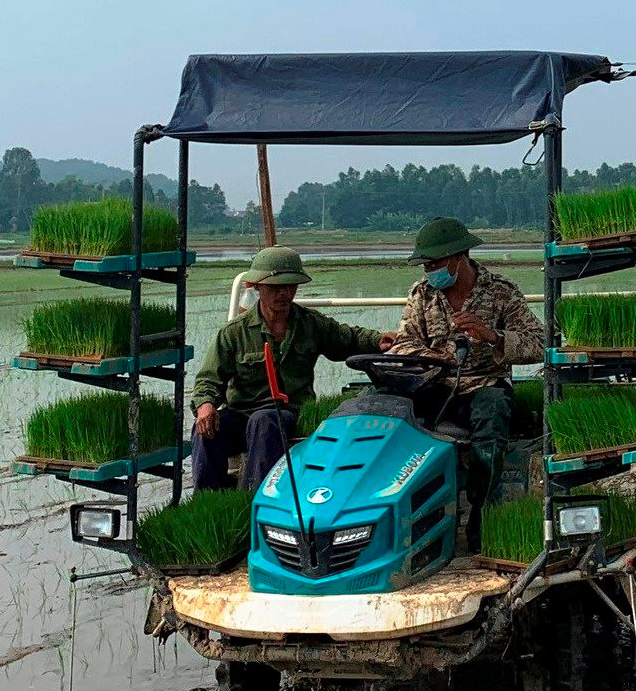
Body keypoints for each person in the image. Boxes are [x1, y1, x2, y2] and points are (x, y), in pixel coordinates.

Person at [389, 217, 544, 541]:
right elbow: (403, 341)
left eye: (435, 263)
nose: (431, 271)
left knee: (492, 415)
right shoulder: (422, 294)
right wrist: (426, 356)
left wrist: (493, 336)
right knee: (388, 412)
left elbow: (540, 343)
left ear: (459, 257)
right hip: (435, 386)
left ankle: (482, 514)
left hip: (483, 384)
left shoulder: (501, 292)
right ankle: (400, 515)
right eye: (427, 265)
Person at [190, 246, 393, 491]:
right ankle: (209, 501)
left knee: (265, 420)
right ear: (257, 287)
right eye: (275, 288)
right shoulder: (234, 333)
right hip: (242, 415)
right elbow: (209, 379)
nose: (284, 294)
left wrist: (378, 340)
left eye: (290, 286)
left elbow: (347, 338)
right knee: (205, 429)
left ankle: (256, 499)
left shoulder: (310, 324)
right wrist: (206, 405)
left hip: (289, 414)